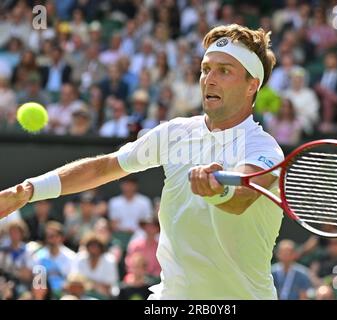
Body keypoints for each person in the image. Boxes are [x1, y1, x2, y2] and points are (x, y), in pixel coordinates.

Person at [0, 24, 284, 299]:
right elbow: (105, 167)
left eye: (224, 71)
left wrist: (218, 191)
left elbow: (242, 196)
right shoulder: (174, 133)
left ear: (252, 86)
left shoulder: (264, 149)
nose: (209, 79)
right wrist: (29, 190)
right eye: (206, 69)